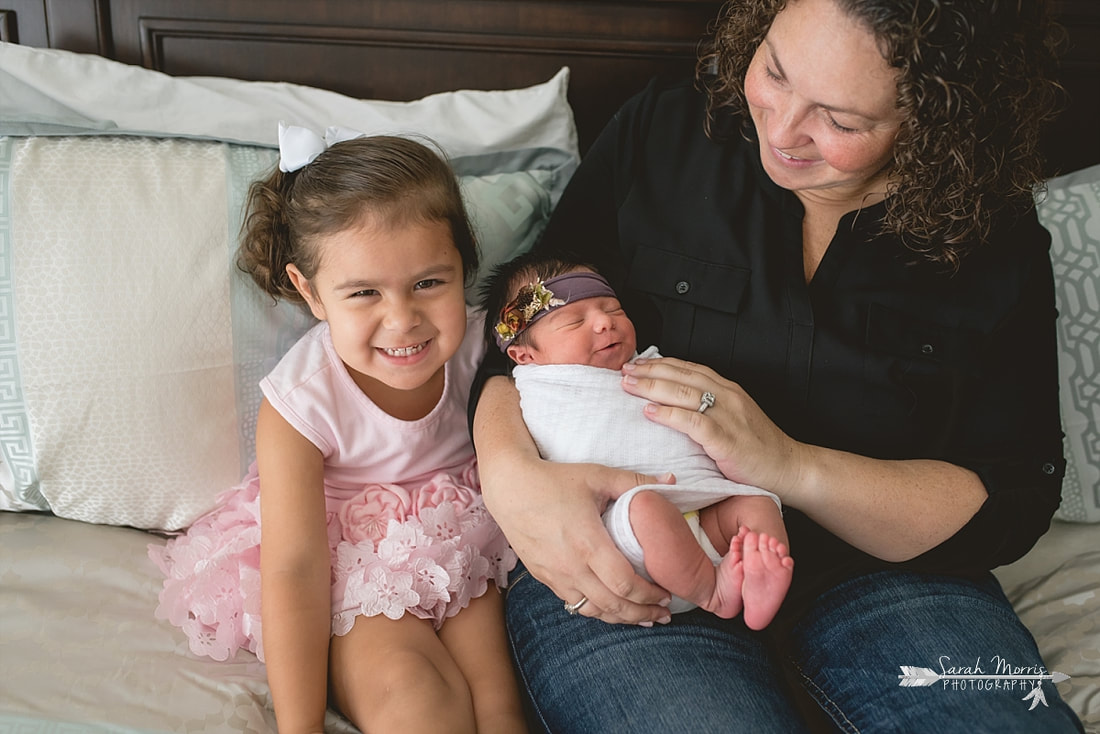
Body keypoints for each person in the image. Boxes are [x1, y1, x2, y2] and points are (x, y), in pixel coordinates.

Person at [470, 0, 1085, 731]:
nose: (783, 129)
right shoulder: (669, 129)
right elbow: (517, 325)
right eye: (775, 72)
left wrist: (787, 464)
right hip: (630, 543)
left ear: (936, 127)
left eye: (842, 122)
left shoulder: (992, 235)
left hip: (885, 574)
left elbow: (1009, 500)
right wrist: (510, 476)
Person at [150, 127, 525, 734]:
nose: (402, 321)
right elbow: (295, 569)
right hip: (346, 568)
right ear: (310, 291)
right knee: (420, 703)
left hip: (463, 547)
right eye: (364, 293)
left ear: (463, 264)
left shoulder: (489, 348)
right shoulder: (300, 402)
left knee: (502, 711)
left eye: (430, 282)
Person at [482, 253, 794, 627]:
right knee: (646, 506)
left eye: (613, 309)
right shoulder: (540, 386)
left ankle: (760, 572)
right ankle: (714, 594)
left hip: (707, 518)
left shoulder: (648, 365)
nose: (603, 323)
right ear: (525, 355)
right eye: (575, 321)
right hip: (627, 541)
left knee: (758, 504)